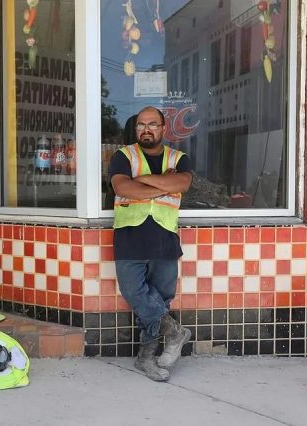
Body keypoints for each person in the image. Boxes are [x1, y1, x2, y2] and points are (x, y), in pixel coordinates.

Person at [109, 106, 193, 381]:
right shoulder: (124, 156)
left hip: (165, 237)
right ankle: (175, 333)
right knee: (134, 290)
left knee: (160, 299)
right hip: (129, 236)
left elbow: (182, 183)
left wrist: (144, 181)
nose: (146, 129)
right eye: (141, 125)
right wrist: (163, 185)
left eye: (153, 124)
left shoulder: (179, 158)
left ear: (163, 128)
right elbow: (123, 187)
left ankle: (146, 358)